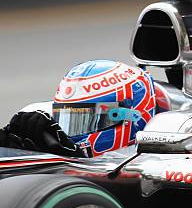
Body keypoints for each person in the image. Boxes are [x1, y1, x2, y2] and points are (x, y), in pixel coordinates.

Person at [0, 60, 156, 157]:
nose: (68, 130)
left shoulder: (157, 162)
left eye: (88, 119)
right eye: (66, 117)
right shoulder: (46, 126)